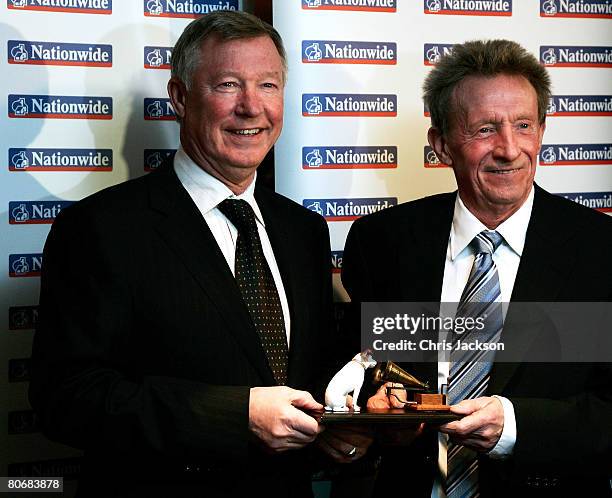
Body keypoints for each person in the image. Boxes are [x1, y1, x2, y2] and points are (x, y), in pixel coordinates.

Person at [29, 11, 369, 498]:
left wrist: (344, 421)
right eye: (228, 85)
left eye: (268, 85)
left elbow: (303, 374)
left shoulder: (303, 230)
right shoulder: (101, 228)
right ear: (181, 98)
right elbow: (65, 398)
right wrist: (236, 417)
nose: (252, 107)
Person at [342, 39, 612, 496]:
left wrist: (513, 426)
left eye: (524, 125)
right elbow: (364, 370)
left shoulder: (599, 251)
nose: (509, 149)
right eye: (485, 129)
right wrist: (380, 416)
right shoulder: (383, 243)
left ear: (542, 131)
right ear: (441, 144)